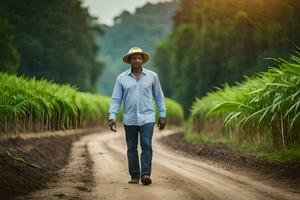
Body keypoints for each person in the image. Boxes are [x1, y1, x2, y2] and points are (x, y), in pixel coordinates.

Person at [108, 47, 167, 185]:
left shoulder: (152, 77)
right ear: (129, 60)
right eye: (134, 58)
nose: (137, 60)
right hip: (130, 119)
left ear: (142, 60)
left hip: (148, 117)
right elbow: (116, 99)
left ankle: (145, 174)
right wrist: (112, 116)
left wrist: (162, 115)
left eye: (139, 58)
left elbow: (159, 97)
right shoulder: (121, 79)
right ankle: (135, 175)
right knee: (131, 148)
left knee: (146, 145)